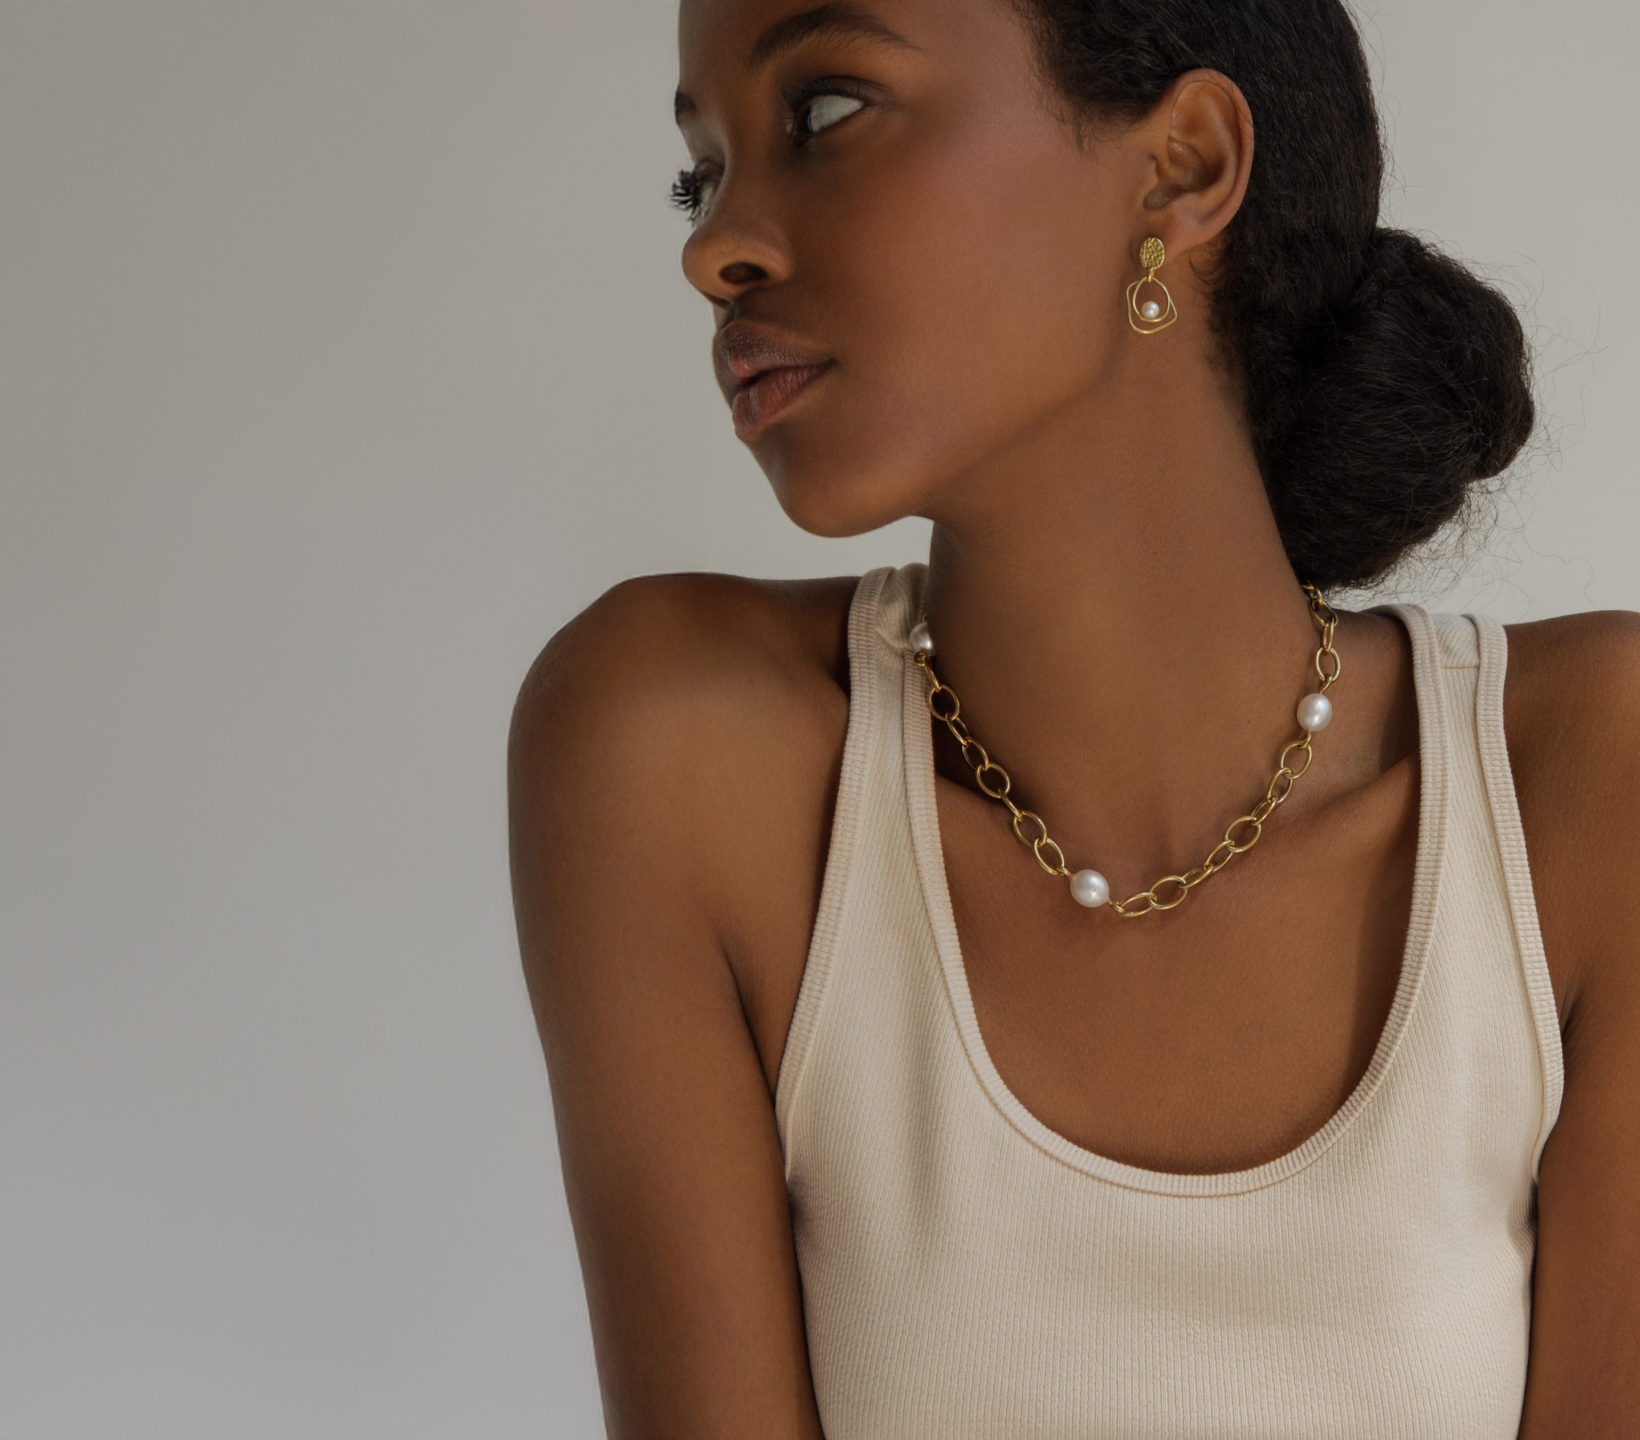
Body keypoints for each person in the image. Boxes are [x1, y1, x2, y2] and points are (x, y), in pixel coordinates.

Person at [504, 0, 1640, 1434]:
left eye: (825, 113)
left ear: (1183, 165)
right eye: (700, 176)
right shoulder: (682, 757)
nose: (712, 248)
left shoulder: (1585, 786)